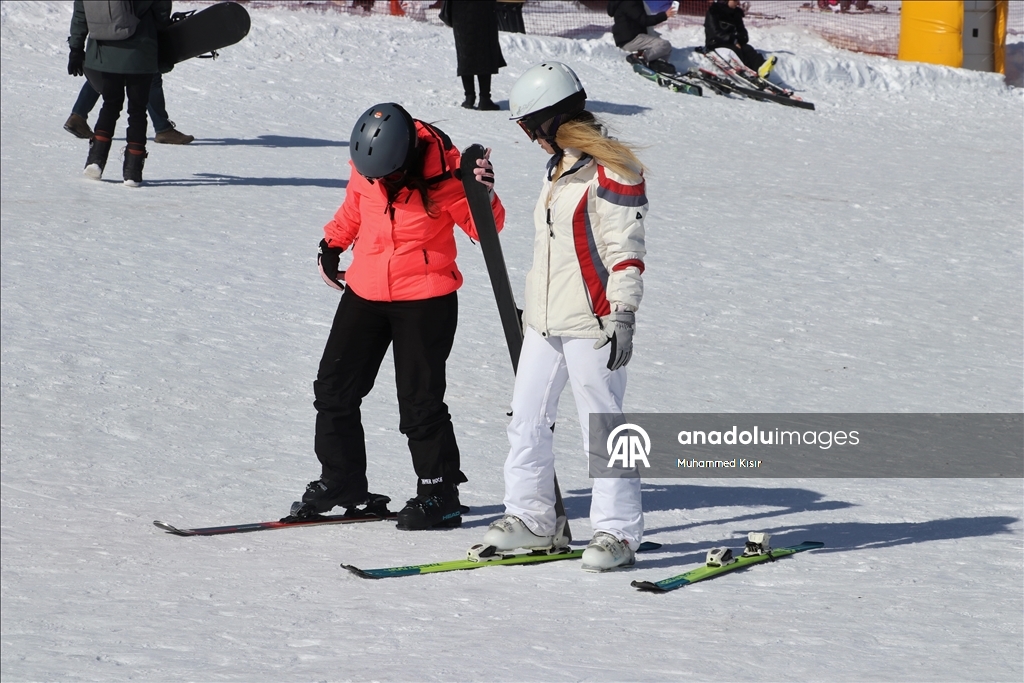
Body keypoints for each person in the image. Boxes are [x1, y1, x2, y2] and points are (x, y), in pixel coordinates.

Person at [296, 102, 505, 531]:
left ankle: (438, 493)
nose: (379, 183)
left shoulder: (448, 174)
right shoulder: (370, 165)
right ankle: (342, 481)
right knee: (334, 389)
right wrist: (333, 244)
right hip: (366, 288)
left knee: (419, 403)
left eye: (387, 177)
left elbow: (488, 230)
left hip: (425, 298)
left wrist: (482, 192)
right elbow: (355, 207)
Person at [479, 62, 647, 572]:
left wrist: (623, 312)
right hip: (546, 321)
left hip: (594, 319)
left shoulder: (612, 169)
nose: (530, 139)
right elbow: (552, 247)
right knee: (526, 419)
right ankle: (531, 520)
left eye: (531, 129)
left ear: (551, 120)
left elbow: (626, 248)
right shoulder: (558, 169)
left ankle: (617, 533)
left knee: (605, 426)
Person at [68, 0, 172, 186]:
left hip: (104, 50)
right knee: (138, 110)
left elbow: (80, 12)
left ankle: (95, 160)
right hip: (141, 49)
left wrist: (76, 48)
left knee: (110, 104)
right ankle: (132, 170)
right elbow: (161, 8)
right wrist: (161, 31)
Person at [64, 73, 194, 144]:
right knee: (150, 73)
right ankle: (163, 129)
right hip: (130, 32)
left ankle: (78, 117)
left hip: (105, 31)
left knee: (105, 72)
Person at [449, 0, 506, 110]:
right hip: (483, 12)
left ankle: (469, 97)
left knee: (465, 53)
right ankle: (484, 98)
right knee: (484, 53)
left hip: (460, 12)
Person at [704, 0, 777, 78]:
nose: (737, 3)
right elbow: (714, 33)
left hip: (732, 42)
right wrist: (733, 40)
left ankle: (762, 68)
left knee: (748, 48)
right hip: (716, 43)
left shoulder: (736, 14)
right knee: (736, 51)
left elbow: (742, 32)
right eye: (735, 0)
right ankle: (749, 72)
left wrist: (741, 39)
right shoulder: (714, 11)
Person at [607, 0, 679, 75]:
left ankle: (657, 64)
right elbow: (644, 20)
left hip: (631, 37)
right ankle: (638, 57)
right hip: (630, 39)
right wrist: (665, 15)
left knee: (664, 49)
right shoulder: (629, 2)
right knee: (664, 45)